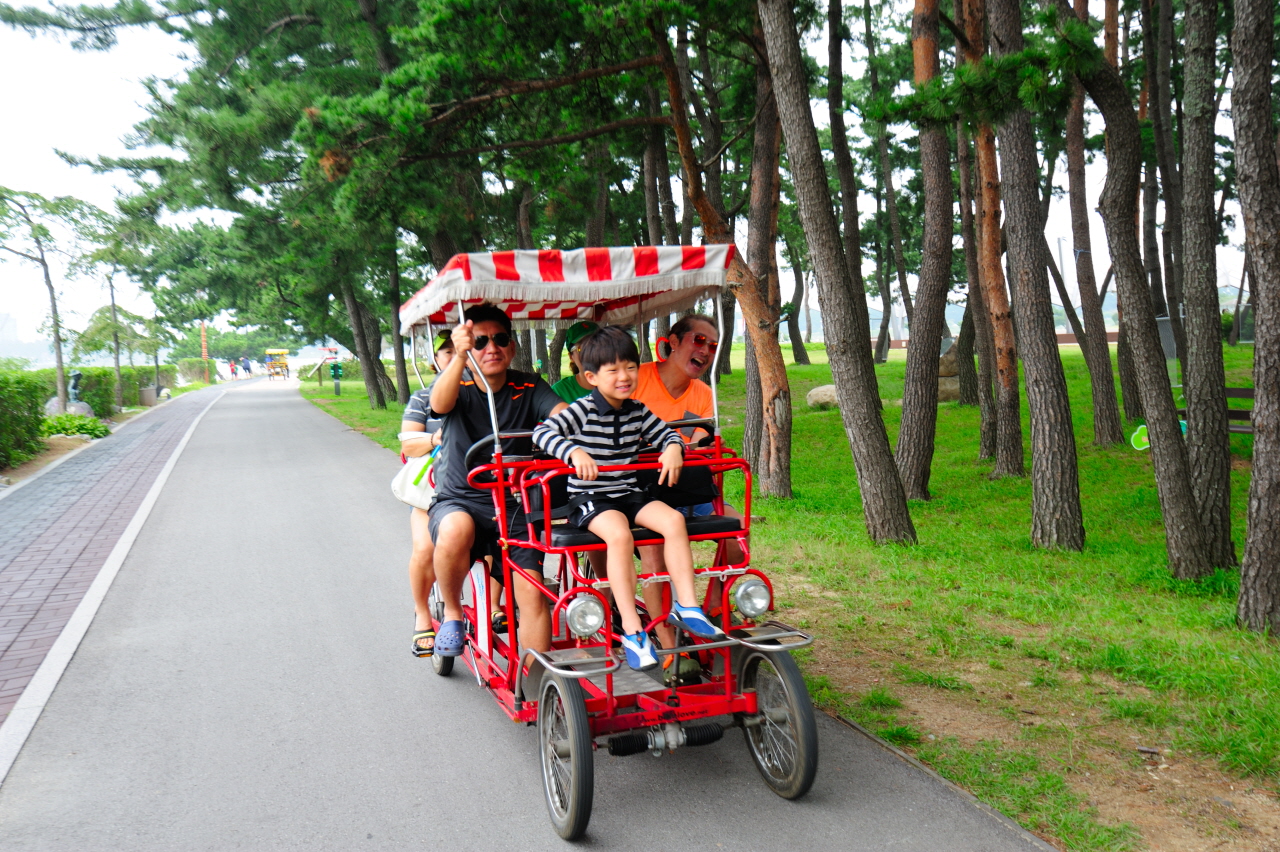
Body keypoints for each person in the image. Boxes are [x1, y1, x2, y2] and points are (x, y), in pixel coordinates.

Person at [533, 326, 723, 671]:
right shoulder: (582, 410)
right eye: (613, 370)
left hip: (627, 492)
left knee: (673, 520)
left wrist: (673, 448)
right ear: (591, 377)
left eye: (631, 368)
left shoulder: (637, 410)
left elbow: (666, 434)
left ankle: (687, 606)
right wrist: (574, 452)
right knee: (619, 536)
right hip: (590, 498)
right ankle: (634, 632)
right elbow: (543, 432)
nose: (624, 377)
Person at [428, 304, 568, 657]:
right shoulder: (457, 381)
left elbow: (563, 416)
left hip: (515, 504)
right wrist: (459, 357)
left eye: (500, 339)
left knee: (533, 593)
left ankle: (537, 679)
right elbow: (439, 405)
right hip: (460, 499)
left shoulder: (529, 384)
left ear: (512, 346)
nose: (491, 348)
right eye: (480, 341)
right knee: (455, 529)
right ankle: (452, 613)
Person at [633, 314, 746, 659]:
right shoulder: (637, 380)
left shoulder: (703, 394)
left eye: (713, 345)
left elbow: (700, 446)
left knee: (736, 532)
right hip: (643, 494)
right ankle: (670, 648)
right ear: (672, 342)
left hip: (687, 490)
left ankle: (713, 607)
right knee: (654, 555)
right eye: (699, 340)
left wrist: (701, 449)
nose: (706, 350)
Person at [400, 333, 455, 656]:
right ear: (435, 359)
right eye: (446, 351)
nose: (454, 356)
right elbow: (409, 445)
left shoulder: (488, 395)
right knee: (425, 549)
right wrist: (436, 439)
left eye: (459, 349)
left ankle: (493, 605)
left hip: (480, 486)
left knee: (498, 544)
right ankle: (422, 612)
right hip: (432, 490)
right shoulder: (423, 398)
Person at [550, 321, 600, 403]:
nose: (590, 352)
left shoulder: (617, 384)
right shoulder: (559, 392)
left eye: (595, 346)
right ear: (571, 357)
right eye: (581, 348)